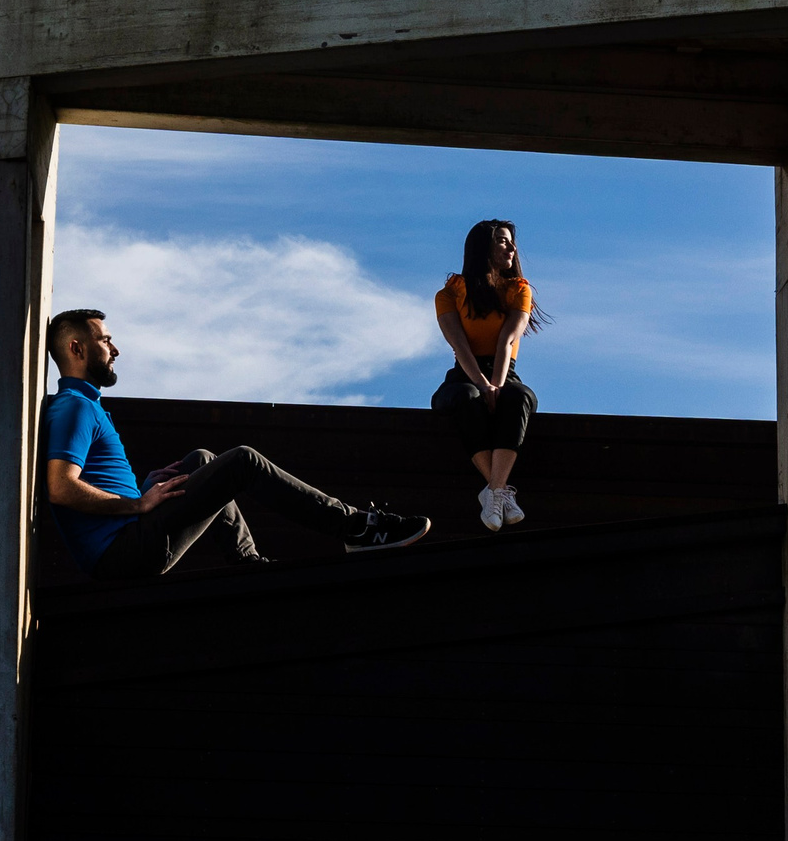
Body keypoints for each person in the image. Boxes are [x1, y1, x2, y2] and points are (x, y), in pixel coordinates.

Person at [40, 307, 431, 580]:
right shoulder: (72, 407)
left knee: (202, 460)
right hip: (121, 556)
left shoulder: (84, 405)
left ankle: (246, 561)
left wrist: (143, 489)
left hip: (129, 538)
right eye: (105, 340)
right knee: (243, 461)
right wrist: (140, 503)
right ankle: (358, 528)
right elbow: (60, 487)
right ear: (77, 349)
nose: (116, 350)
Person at [432, 218, 545, 532]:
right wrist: (482, 386)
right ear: (483, 247)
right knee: (466, 397)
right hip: (464, 373)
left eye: (511, 241)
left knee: (519, 396)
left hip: (504, 370)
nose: (510, 247)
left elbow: (507, 340)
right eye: (501, 240)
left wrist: (495, 385)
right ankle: (499, 491)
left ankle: (494, 491)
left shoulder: (518, 290)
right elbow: (459, 344)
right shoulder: (450, 293)